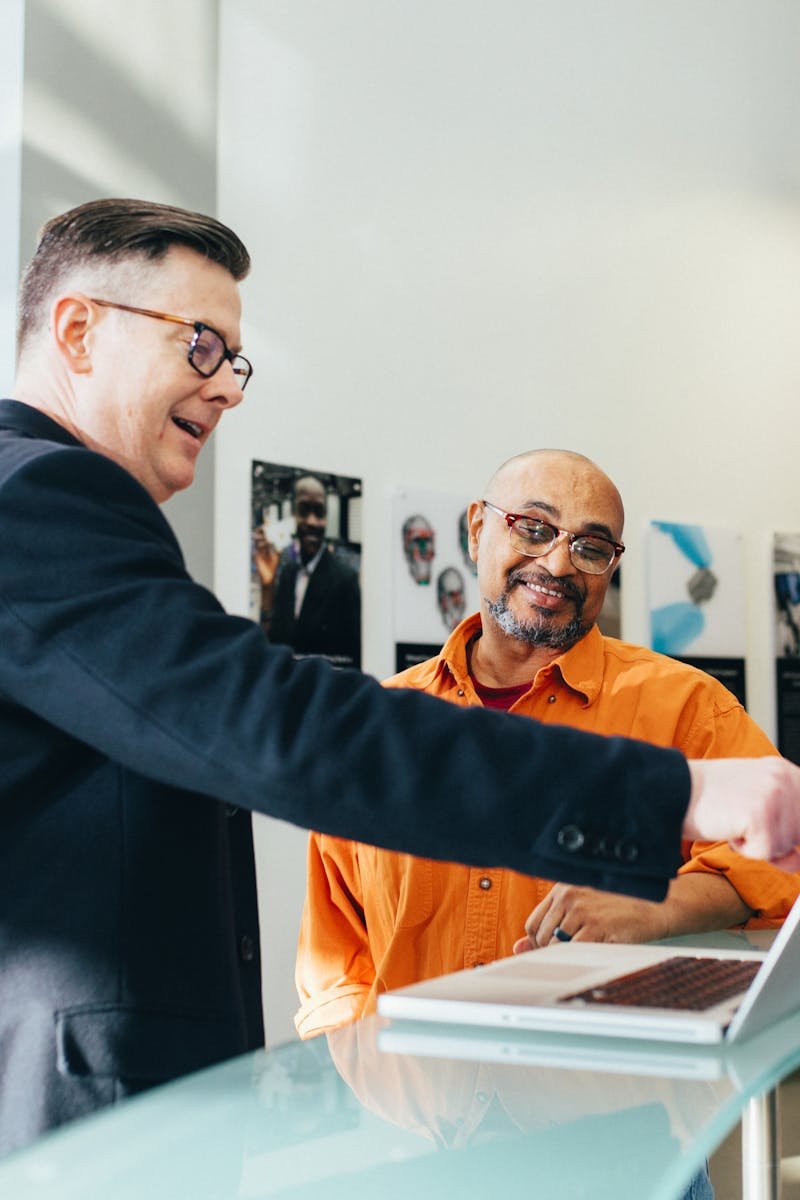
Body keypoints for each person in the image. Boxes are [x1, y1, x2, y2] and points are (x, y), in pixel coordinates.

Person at [2, 201, 799, 1156]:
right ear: (78, 329)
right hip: (155, 1119)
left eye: (234, 359)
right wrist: (681, 794)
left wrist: (665, 898)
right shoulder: (40, 497)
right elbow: (283, 739)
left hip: (612, 1128)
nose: (228, 387)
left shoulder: (682, 700)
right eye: (202, 345)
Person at [295, 449, 800, 1038]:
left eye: (590, 547)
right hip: (417, 1108)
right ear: (479, 528)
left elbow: (780, 865)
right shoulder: (379, 726)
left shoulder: (687, 706)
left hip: (605, 1099)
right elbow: (335, 960)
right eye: (533, 528)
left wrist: (658, 906)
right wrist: (369, 1084)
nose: (558, 564)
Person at [266, 475, 361, 667]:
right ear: (293, 514)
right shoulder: (287, 574)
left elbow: (352, 660)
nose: (311, 521)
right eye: (304, 510)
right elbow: (275, 641)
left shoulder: (345, 580)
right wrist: (266, 587)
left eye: (319, 512)